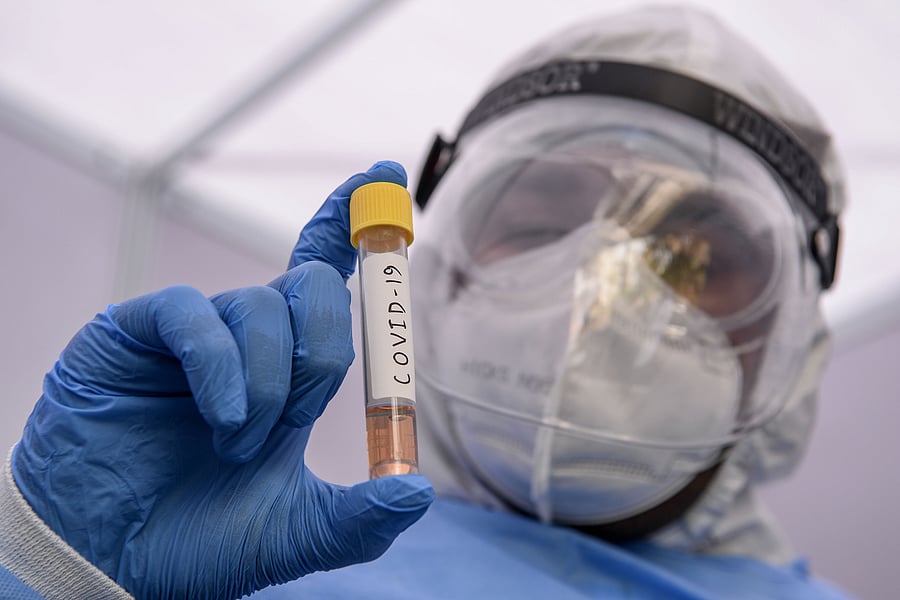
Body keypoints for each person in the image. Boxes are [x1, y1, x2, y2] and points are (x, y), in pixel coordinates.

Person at [0, 5, 852, 599]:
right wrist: (54, 571)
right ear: (437, 275)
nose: (595, 291)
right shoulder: (244, 569)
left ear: (792, 348)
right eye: (542, 220)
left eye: (691, 255)